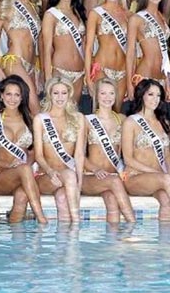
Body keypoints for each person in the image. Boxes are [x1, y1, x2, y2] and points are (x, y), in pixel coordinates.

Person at [0, 75, 47, 224]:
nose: (12, 99)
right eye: (8, 94)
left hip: (24, 177)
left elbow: (34, 152)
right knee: (24, 169)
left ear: (22, 97)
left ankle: (14, 233)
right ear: (1, 96)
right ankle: (42, 219)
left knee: (22, 196)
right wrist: (10, 165)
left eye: (17, 95)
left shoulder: (31, 119)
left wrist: (27, 163)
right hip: (0, 177)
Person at [83, 78, 135, 222]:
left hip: (113, 175)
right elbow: (79, 155)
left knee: (112, 201)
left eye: (111, 93)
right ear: (96, 95)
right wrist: (95, 170)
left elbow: (127, 152)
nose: (107, 97)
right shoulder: (87, 120)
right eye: (103, 93)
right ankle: (133, 225)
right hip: (91, 176)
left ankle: (115, 236)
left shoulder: (122, 119)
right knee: (114, 182)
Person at [33, 77, 85, 223]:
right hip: (46, 176)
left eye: (64, 93)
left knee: (62, 198)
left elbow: (79, 154)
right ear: (49, 94)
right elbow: (38, 155)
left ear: (69, 94)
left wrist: (79, 183)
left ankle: (67, 235)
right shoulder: (40, 119)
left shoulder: (78, 118)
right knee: (69, 176)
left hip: (69, 177)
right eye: (56, 93)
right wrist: (50, 171)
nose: (60, 97)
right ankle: (76, 223)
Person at [0, 0, 42, 115]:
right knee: (35, 108)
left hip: (31, 64)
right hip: (14, 61)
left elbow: (35, 42)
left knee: (25, 111)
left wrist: (37, 69)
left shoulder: (34, 7)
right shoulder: (4, 7)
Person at [122, 79, 170, 221]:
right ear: (141, 95)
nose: (155, 99)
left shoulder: (164, 123)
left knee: (166, 202)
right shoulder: (131, 122)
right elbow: (128, 159)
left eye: (158, 95)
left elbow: (167, 156)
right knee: (166, 180)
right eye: (151, 94)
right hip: (134, 177)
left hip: (158, 178)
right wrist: (157, 173)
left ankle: (163, 235)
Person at [85, 0, 130, 111]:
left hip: (122, 71)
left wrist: (130, 78)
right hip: (102, 68)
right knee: (100, 112)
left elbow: (132, 50)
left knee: (116, 113)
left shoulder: (129, 15)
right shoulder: (95, 13)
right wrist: (88, 77)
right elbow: (88, 47)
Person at [42, 0, 87, 104]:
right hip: (60, 72)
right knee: (58, 111)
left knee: (73, 112)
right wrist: (48, 77)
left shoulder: (79, 12)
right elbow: (47, 49)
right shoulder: (51, 14)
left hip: (79, 73)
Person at [126, 0, 170, 100]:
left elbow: (164, 52)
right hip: (144, 75)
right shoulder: (136, 19)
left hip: (162, 77)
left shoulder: (163, 17)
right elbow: (130, 53)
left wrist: (167, 80)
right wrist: (129, 84)